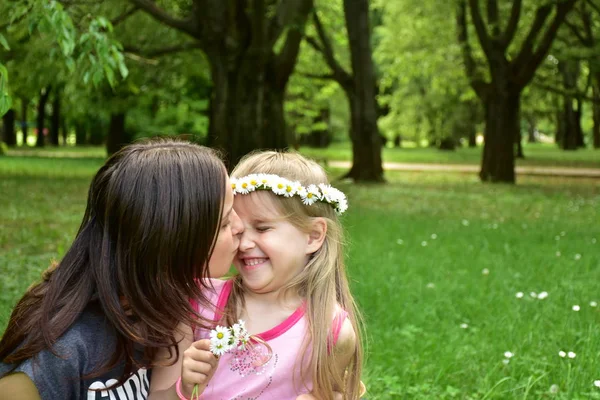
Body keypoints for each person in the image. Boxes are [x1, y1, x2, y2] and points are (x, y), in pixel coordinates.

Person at [0, 139, 243, 400]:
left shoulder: (170, 307)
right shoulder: (54, 353)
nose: (240, 226)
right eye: (226, 222)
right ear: (173, 241)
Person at [150, 151, 364, 400]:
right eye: (235, 226)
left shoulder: (330, 330)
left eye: (262, 227)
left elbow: (333, 392)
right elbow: (156, 396)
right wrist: (183, 388)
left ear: (314, 236)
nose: (243, 242)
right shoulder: (197, 302)